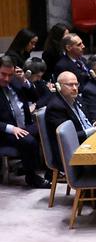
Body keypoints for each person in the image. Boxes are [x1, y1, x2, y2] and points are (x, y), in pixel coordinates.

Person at [43, 70, 96, 170]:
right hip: (72, 153)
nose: (74, 88)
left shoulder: (76, 98)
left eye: (76, 84)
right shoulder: (56, 107)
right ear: (58, 87)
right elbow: (68, 138)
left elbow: (85, 121)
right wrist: (95, 129)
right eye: (70, 85)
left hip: (87, 143)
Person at [0, 54, 48, 188]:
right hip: (5, 131)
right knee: (28, 141)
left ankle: (52, 171)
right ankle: (31, 177)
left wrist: (24, 81)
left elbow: (35, 97)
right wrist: (12, 129)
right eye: (3, 74)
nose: (7, 78)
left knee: (48, 129)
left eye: (10, 75)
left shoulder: (16, 81)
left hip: (24, 126)